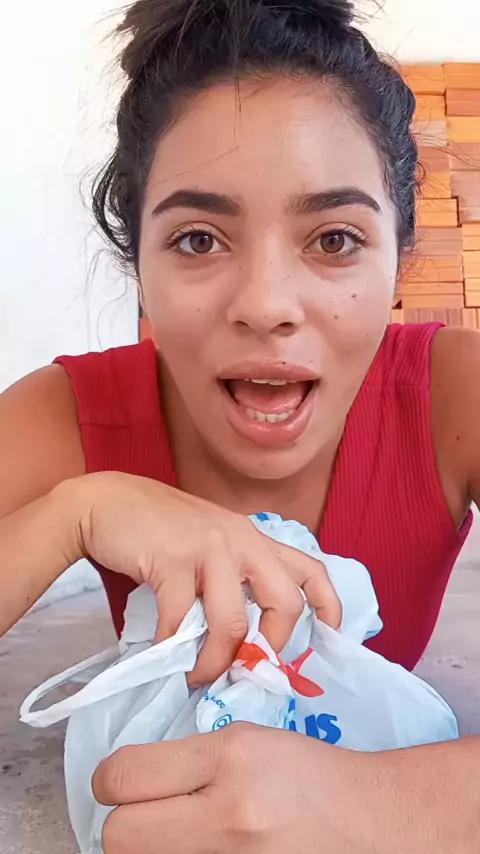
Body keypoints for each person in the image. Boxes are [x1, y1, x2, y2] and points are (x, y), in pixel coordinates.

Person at [2, 0, 480, 849]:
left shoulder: (453, 394)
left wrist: (390, 801)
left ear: (398, 259)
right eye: (198, 240)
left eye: (334, 239)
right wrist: (73, 513)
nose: (266, 304)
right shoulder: (72, 413)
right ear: (138, 264)